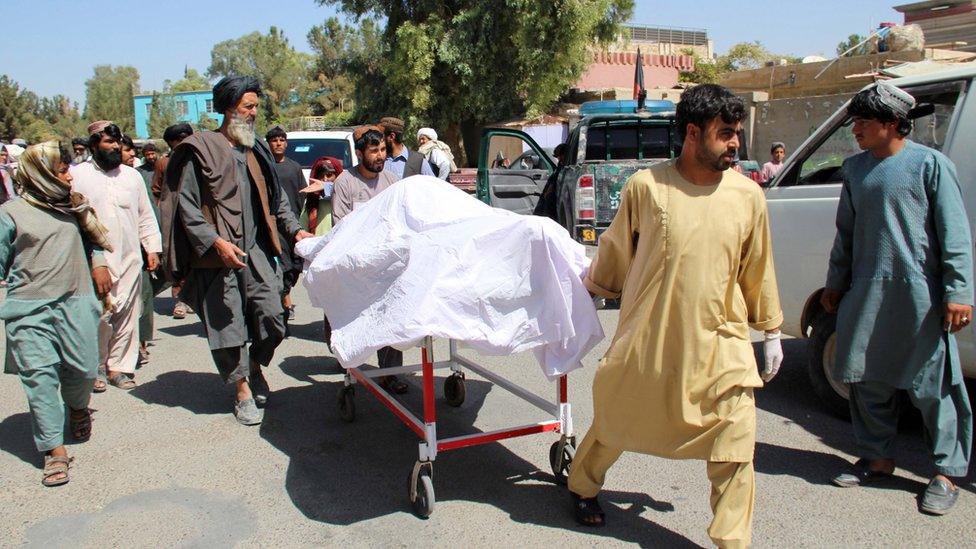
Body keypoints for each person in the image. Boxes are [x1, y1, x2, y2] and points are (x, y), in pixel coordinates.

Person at [566, 84, 783, 547]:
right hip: (652, 337)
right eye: (725, 134)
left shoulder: (749, 197)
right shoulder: (648, 186)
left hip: (720, 343)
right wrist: (592, 292)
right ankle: (582, 485)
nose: (735, 144)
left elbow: (758, 267)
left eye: (737, 134)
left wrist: (771, 331)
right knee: (616, 419)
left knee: (736, 441)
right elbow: (617, 249)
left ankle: (732, 541)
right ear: (692, 133)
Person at [821, 83, 973, 515]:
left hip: (920, 294)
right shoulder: (854, 170)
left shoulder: (931, 165)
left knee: (933, 385)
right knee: (867, 377)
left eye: (864, 123)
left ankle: (944, 474)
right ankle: (877, 458)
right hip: (867, 290)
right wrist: (836, 282)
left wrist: (958, 291)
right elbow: (845, 236)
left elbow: (955, 233)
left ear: (891, 124)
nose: (856, 131)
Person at [162, 76, 312, 426]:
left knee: (273, 318)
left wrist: (295, 230)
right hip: (218, 253)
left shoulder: (256, 148)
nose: (254, 113)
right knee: (228, 325)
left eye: (256, 106)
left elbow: (277, 203)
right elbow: (186, 207)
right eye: (248, 107)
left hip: (258, 249)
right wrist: (214, 242)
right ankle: (242, 389)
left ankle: (256, 365)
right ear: (228, 109)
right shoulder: (199, 149)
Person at [0, 142, 113, 486]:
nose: (68, 175)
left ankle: (77, 407)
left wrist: (100, 264)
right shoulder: (11, 213)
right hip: (28, 308)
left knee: (82, 369)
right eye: (62, 169)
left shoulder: (75, 206)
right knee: (39, 378)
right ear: (42, 173)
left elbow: (94, 242)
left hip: (76, 301)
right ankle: (54, 450)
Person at [71, 121, 161, 392]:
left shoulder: (131, 176)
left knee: (129, 312)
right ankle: (95, 366)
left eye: (117, 142)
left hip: (131, 255)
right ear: (94, 145)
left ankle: (119, 367)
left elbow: (145, 214)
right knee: (98, 315)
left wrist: (152, 248)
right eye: (108, 143)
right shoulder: (78, 175)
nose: (115, 147)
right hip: (94, 259)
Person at [332, 125, 408, 394]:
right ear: (360, 152)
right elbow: (340, 226)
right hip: (356, 265)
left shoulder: (391, 182)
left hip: (386, 265)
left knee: (389, 318)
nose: (380, 156)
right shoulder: (345, 182)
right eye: (374, 150)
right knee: (355, 319)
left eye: (384, 150)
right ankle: (349, 368)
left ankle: (390, 373)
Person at [265, 125, 306, 324]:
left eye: (282, 140)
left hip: (294, 224)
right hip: (274, 226)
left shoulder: (294, 167)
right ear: (268, 143)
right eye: (274, 140)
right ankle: (284, 301)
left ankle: (285, 294)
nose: (278, 143)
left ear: (286, 143)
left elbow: (302, 195)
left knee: (296, 264)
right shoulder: (266, 167)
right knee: (283, 265)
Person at [155, 123, 194, 320]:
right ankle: (179, 301)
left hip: (194, 215)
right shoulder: (164, 163)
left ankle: (192, 297)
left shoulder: (196, 160)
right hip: (172, 214)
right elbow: (157, 190)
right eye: (179, 140)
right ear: (171, 143)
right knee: (175, 256)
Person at [300, 156, 342, 235]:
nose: (325, 179)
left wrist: (326, 187)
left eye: (329, 175)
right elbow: (303, 228)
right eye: (321, 176)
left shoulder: (344, 199)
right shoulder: (311, 202)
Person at [533, 143, 566, 222]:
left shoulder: (564, 165)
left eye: (559, 156)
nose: (558, 159)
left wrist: (549, 190)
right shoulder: (560, 165)